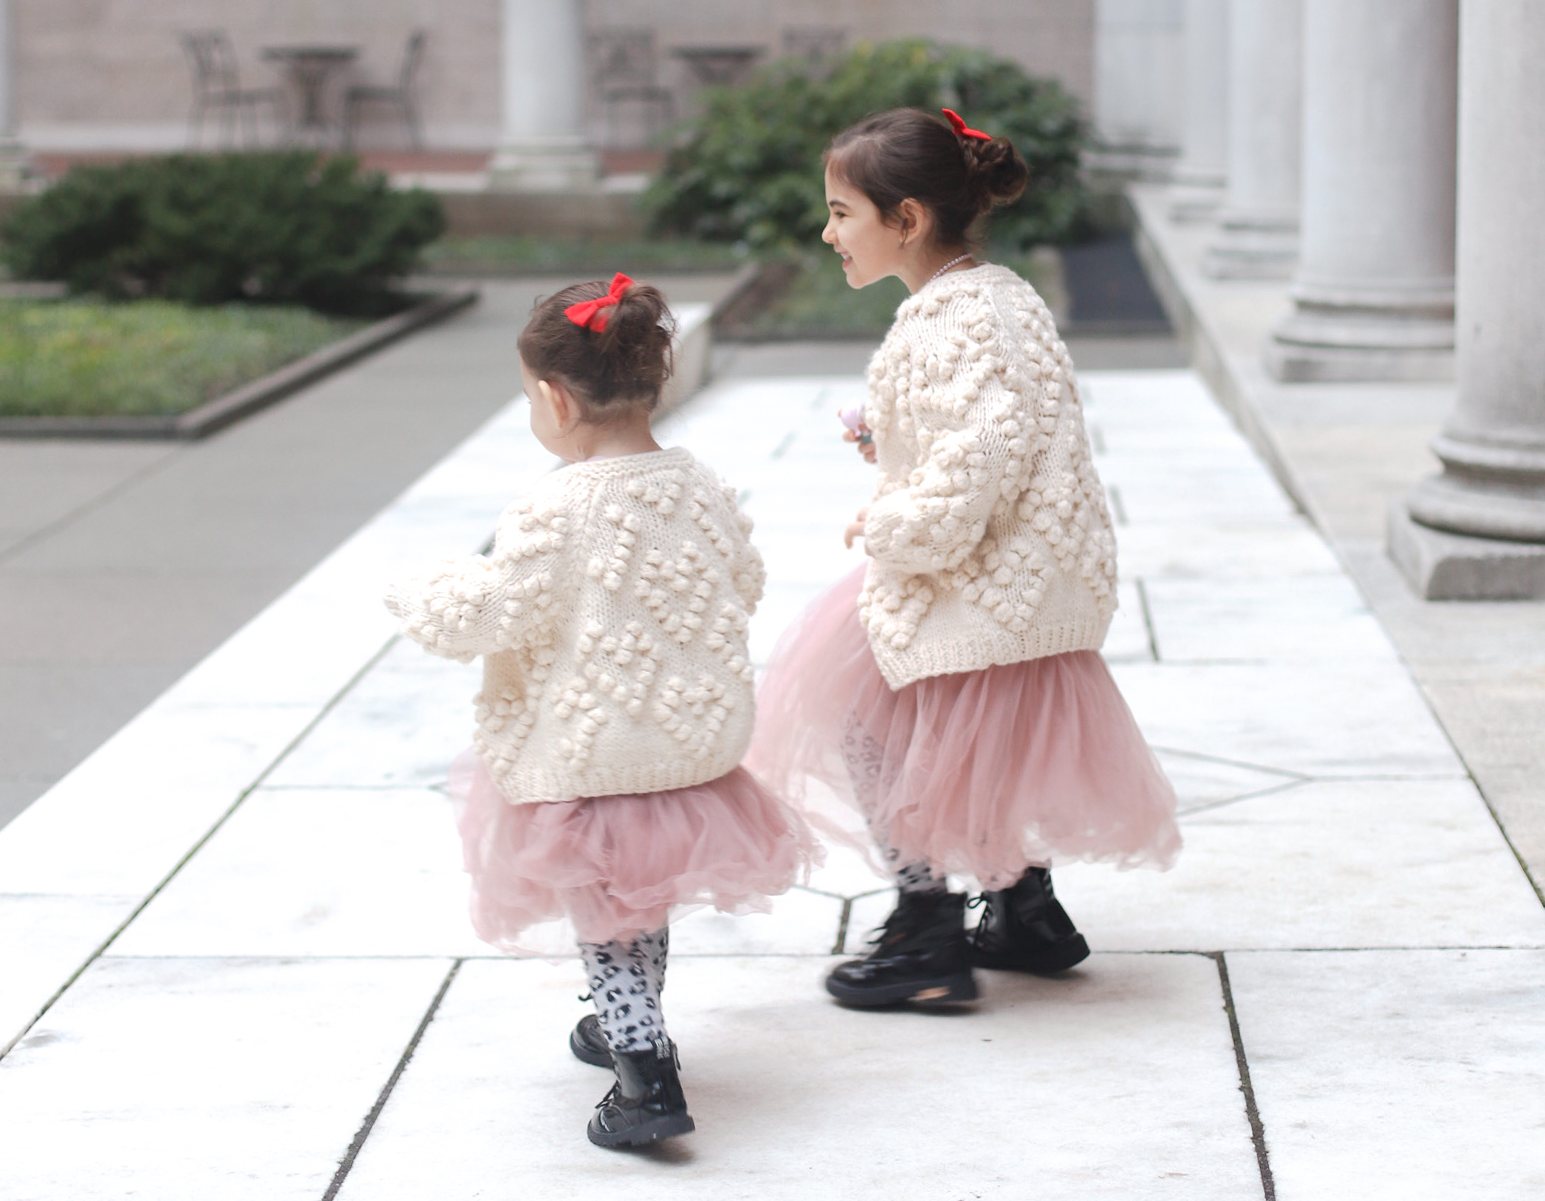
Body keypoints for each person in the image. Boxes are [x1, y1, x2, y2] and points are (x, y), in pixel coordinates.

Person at [749, 109, 1180, 1009]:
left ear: (904, 219)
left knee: (868, 722)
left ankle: (925, 931)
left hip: (980, 583)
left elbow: (970, 469)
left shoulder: (946, 322)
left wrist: (888, 524)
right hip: (1023, 578)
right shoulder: (999, 295)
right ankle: (1024, 906)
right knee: (972, 747)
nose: (827, 234)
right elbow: (996, 433)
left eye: (840, 213)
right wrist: (894, 448)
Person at [386, 274, 816, 1148]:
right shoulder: (699, 484)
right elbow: (745, 580)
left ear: (553, 398)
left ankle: (644, 1073)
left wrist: (421, 589)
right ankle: (626, 1021)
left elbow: (493, 610)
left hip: (594, 752)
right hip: (685, 745)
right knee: (638, 897)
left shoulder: (555, 503)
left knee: (605, 918)